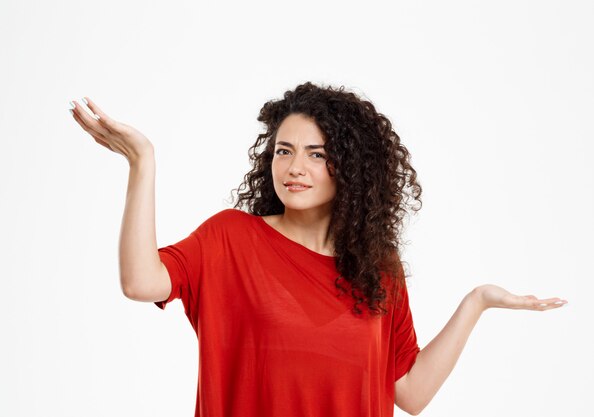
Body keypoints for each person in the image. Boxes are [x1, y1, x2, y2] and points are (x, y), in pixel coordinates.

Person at [68, 82, 567, 417]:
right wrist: (142, 163)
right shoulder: (231, 238)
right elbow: (140, 281)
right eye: (284, 151)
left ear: (350, 167)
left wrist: (476, 301)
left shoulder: (377, 269)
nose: (294, 168)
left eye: (317, 154)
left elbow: (410, 394)